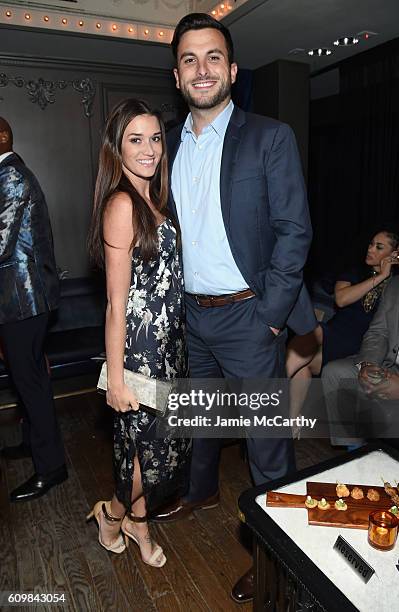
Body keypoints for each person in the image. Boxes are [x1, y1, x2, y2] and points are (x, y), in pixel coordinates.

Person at [149, 13, 316, 602]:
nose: (202, 69)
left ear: (233, 69)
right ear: (176, 75)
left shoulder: (270, 136)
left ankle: (279, 553)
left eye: (213, 57)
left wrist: (271, 314)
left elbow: (294, 231)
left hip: (251, 316)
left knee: (266, 448)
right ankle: (202, 491)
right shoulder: (163, 146)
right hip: (193, 317)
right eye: (190, 59)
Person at [87, 99, 190, 567]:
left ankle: (133, 521)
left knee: (154, 453)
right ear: (117, 148)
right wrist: (117, 378)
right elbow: (115, 302)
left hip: (170, 346)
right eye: (136, 140)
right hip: (139, 353)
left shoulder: (155, 200)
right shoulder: (122, 205)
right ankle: (116, 516)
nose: (149, 149)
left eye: (154, 138)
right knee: (147, 457)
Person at [0, 116, 66, 502]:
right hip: (20, 300)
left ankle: (51, 468)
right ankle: (33, 444)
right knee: (28, 379)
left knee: (31, 384)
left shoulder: (11, 177)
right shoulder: (11, 175)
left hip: (23, 300)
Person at [286, 229, 399, 434]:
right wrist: (379, 276)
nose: (371, 249)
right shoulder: (355, 272)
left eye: (379, 247)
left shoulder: (397, 284)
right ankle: (292, 422)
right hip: (335, 333)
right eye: (371, 243)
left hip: (359, 343)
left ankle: (269, 388)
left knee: (314, 334)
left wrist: (386, 276)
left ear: (393, 254)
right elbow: (341, 299)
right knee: (304, 363)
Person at [322, 226, 399, 450]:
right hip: (355, 343)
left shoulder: (392, 280)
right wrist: (368, 363)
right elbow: (378, 331)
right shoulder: (397, 285)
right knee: (334, 372)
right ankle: (354, 452)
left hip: (351, 342)